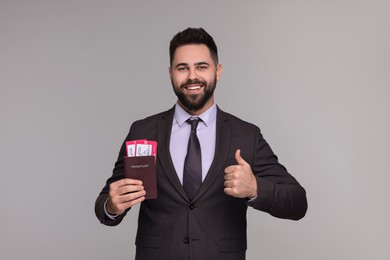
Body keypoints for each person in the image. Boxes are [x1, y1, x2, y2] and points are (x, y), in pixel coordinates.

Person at [95, 27, 307, 260]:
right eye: (182, 68)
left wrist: (255, 188)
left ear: (218, 71)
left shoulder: (246, 135)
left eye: (201, 67)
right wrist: (111, 206)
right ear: (170, 73)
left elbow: (297, 202)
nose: (192, 76)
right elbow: (105, 203)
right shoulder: (143, 131)